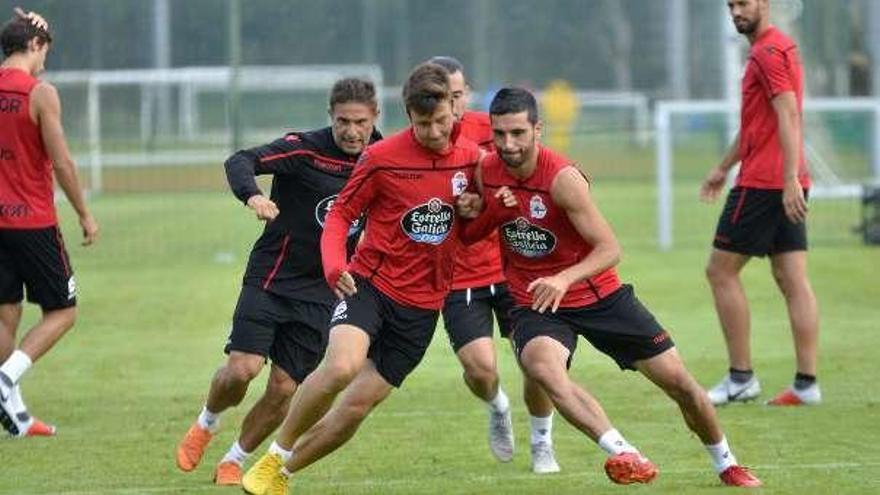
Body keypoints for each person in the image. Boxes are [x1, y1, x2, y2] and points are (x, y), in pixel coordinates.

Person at [458, 87, 762, 487]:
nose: (508, 144)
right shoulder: (489, 170)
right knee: (542, 369)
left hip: (598, 296)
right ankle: (624, 453)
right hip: (536, 302)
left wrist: (564, 278)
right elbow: (474, 234)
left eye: (518, 133)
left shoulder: (563, 179)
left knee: (680, 384)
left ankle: (727, 463)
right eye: (499, 134)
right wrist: (479, 212)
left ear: (537, 129)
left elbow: (610, 249)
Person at [240, 62, 483, 495]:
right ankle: (275, 452)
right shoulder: (380, 157)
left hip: (423, 305)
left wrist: (478, 212)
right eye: (424, 123)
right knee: (341, 367)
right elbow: (341, 216)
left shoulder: (473, 160)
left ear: (454, 109)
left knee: (354, 409)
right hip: (370, 284)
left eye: (442, 121)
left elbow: (475, 233)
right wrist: (335, 266)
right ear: (408, 115)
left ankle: (283, 473)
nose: (434, 132)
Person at [175, 78, 381, 485]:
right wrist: (253, 196)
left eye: (360, 121)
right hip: (272, 276)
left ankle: (234, 460)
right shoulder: (304, 148)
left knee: (285, 388)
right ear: (331, 116)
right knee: (241, 370)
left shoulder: (383, 158)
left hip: (326, 289)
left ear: (375, 116)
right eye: (343, 121)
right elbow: (240, 160)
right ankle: (206, 423)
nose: (352, 131)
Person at [429, 56, 558, 473]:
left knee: (538, 363)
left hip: (514, 268)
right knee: (481, 370)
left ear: (466, 93)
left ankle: (542, 442)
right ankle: (498, 406)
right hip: (462, 273)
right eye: (443, 96)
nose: (452, 103)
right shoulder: (426, 139)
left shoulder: (499, 128)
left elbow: (538, 171)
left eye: (458, 93)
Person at [701, 0, 820, 407]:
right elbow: (758, 125)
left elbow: (788, 115)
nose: (736, 11)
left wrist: (787, 180)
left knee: (719, 271)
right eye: (730, 4)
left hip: (766, 183)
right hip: (787, 178)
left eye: (744, 3)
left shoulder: (767, 52)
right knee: (791, 278)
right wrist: (722, 167)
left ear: (764, 4)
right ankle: (806, 385)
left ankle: (740, 378)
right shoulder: (780, 47)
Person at [0, 8, 99, 438]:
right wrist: (84, 213)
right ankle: (4, 381)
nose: (45, 61)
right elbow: (61, 161)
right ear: (34, 46)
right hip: (32, 221)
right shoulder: (40, 93)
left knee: (6, 313)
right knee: (63, 311)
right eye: (45, 51)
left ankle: (16, 418)